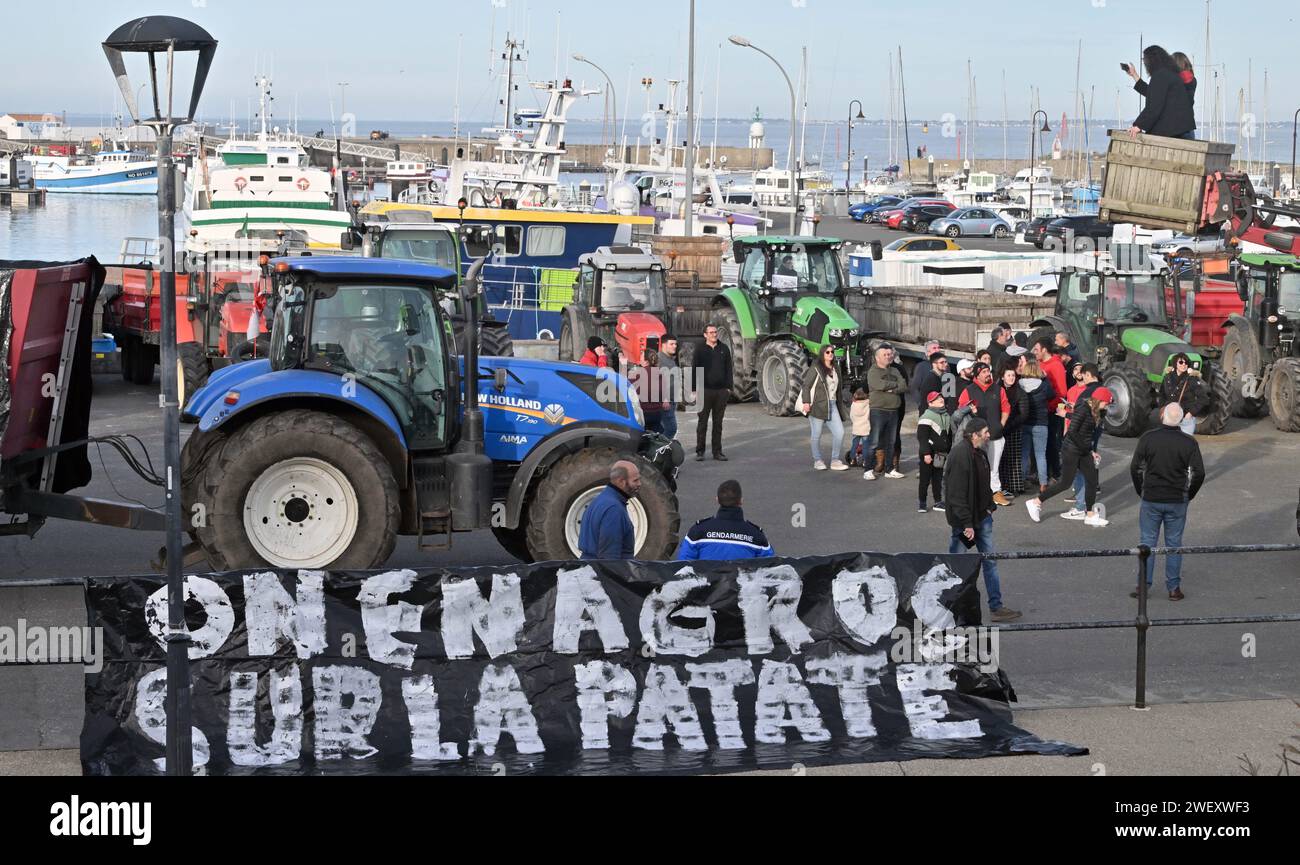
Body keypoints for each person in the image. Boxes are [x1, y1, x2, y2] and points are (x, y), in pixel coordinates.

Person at [944, 418, 1022, 622]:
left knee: (989, 563)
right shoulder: (961, 455)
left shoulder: (978, 452)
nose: (989, 435)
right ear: (974, 434)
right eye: (985, 432)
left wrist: (990, 506)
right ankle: (951, 607)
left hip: (981, 518)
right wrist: (967, 524)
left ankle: (996, 607)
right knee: (956, 565)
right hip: (967, 522)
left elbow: (982, 483)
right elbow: (956, 494)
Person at [1130, 404, 1206, 600]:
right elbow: (1199, 473)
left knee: (1147, 542)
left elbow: (1136, 468)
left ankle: (1143, 586)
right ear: (1181, 420)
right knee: (1174, 544)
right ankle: (1173, 588)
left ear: (1162, 416)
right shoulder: (1189, 442)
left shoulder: (1148, 438)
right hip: (1177, 499)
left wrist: (1142, 490)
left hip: (1152, 497)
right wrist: (1189, 494)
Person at [1025, 388, 1114, 527]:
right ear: (1099, 401)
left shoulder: (1093, 410)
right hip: (1071, 450)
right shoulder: (1084, 408)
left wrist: (1090, 451)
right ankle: (1035, 502)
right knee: (1065, 483)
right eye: (1106, 403)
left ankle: (1090, 514)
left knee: (1092, 480)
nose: (1106, 406)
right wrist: (1087, 449)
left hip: (1083, 450)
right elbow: (1072, 431)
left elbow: (1086, 432)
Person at [677, 480, 775, 560]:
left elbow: (684, 565)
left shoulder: (698, 531)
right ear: (741, 501)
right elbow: (768, 568)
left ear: (717, 500)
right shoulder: (756, 535)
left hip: (707, 583)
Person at [958, 362, 1012, 505]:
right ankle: (977, 494)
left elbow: (1006, 408)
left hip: (995, 435)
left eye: (988, 371)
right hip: (977, 437)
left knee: (994, 467)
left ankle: (996, 492)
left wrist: (1001, 425)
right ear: (976, 375)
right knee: (977, 466)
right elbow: (960, 409)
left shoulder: (998, 389)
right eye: (984, 372)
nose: (988, 374)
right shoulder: (968, 390)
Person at [1126, 45, 1196, 140]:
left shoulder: (1160, 75)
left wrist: (1139, 125)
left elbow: (1154, 105)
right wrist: (1134, 75)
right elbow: (1153, 94)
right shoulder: (1170, 76)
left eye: (1145, 59)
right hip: (1183, 129)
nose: (1144, 63)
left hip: (1173, 130)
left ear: (1152, 60)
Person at [1062, 363, 1104, 520]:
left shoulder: (1091, 391)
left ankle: (1081, 506)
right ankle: (1086, 507)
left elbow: (1087, 418)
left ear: (1088, 375)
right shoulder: (1094, 390)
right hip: (1087, 436)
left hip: (1084, 438)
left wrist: (1068, 416)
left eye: (1082, 372)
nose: (1079, 375)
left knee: (1082, 472)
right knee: (1087, 472)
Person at [578, 461, 641, 559]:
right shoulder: (613, 509)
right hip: (603, 571)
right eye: (635, 480)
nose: (639, 484)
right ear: (621, 482)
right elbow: (609, 559)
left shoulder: (601, 499)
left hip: (590, 568)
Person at [801, 345, 850, 471]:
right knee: (816, 435)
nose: (830, 354)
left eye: (832, 352)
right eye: (827, 352)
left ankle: (835, 460)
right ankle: (817, 460)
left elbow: (838, 389)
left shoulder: (836, 368)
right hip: (818, 405)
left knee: (840, 433)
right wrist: (806, 402)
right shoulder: (816, 368)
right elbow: (806, 386)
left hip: (832, 404)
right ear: (822, 354)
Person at [864, 346, 907, 480]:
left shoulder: (895, 369)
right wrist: (894, 385)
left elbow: (904, 386)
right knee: (874, 441)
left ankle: (889, 469)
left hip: (893, 410)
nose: (888, 356)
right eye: (885, 354)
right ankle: (868, 470)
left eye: (889, 354)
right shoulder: (873, 371)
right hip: (878, 411)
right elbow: (878, 385)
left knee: (891, 442)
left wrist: (891, 389)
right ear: (877, 358)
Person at [692, 322, 732, 461]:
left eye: (715, 332)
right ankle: (700, 452)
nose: (714, 334)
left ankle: (717, 452)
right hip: (704, 390)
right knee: (702, 422)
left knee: (718, 423)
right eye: (711, 333)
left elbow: (729, 370)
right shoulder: (700, 349)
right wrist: (693, 389)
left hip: (721, 392)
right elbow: (695, 369)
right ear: (705, 335)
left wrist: (728, 388)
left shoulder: (724, 348)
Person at [1018, 359, 1057, 495]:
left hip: (1025, 423)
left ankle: (1021, 481)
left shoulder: (1020, 384)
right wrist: (1045, 379)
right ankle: (1043, 484)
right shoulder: (1044, 385)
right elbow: (1052, 395)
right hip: (1041, 423)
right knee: (1040, 455)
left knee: (1024, 454)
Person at [1032, 337, 1069, 482]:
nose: (1035, 352)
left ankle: (1056, 473)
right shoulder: (1039, 363)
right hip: (1041, 409)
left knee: (1052, 442)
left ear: (1044, 350)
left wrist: (1055, 409)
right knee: (1041, 444)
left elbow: (1062, 392)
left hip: (1052, 410)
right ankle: (1043, 472)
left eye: (1036, 349)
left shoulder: (1056, 365)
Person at [917, 391, 953, 513]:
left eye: (941, 397)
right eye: (937, 399)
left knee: (937, 479)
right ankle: (922, 503)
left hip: (940, 454)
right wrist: (926, 454)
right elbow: (922, 438)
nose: (941, 399)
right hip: (928, 454)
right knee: (925, 479)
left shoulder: (946, 415)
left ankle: (938, 502)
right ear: (930, 403)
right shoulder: (926, 417)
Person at [1158, 353, 1208, 435]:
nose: (1184, 365)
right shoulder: (1167, 377)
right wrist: (1162, 408)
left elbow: (1203, 399)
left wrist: (1190, 413)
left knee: (1185, 444)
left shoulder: (1192, 379)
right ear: (1175, 364)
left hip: (1185, 419)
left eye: (1186, 363)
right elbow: (1162, 394)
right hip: (1169, 418)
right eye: (1181, 362)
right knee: (1168, 444)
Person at [998, 361, 1029, 497]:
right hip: (998, 428)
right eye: (1009, 375)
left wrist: (1008, 426)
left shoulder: (1020, 393)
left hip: (1014, 429)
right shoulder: (997, 390)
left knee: (1013, 458)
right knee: (999, 458)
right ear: (1003, 377)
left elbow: (1023, 414)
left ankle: (1013, 486)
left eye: (1013, 375)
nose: (1011, 377)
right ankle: (999, 486)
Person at [634, 350, 668, 435]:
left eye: (641, 357)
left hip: (643, 411)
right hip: (657, 412)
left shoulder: (637, 374)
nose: (640, 359)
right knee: (656, 436)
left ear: (646, 361)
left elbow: (628, 388)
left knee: (642, 437)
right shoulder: (659, 373)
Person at [909, 341, 943, 413]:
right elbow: (914, 388)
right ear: (928, 353)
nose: (938, 350)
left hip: (942, 406)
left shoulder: (946, 366)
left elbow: (949, 388)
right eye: (934, 348)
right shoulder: (922, 366)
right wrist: (921, 404)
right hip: (927, 407)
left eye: (938, 348)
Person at [657, 335, 680, 441]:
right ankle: (658, 449)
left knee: (663, 429)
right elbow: (655, 381)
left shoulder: (670, 359)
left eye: (675, 344)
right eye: (671, 344)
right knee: (671, 429)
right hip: (665, 401)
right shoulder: (659, 360)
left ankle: (661, 452)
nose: (674, 346)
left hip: (672, 400)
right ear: (663, 345)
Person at [848, 388, 871, 467]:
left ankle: (852, 459)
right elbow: (869, 416)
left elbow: (851, 416)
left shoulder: (853, 405)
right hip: (865, 428)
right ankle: (865, 461)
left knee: (854, 445)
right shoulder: (868, 404)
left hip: (856, 428)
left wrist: (855, 422)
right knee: (865, 446)